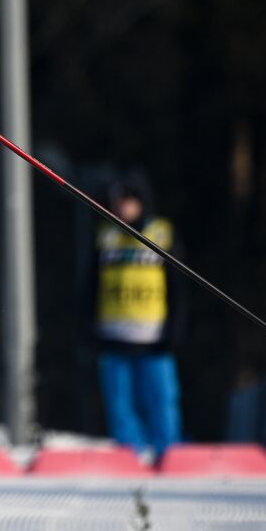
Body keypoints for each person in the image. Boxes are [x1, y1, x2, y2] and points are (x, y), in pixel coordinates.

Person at [91, 173, 184, 460]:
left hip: (153, 337)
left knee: (162, 401)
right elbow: (90, 285)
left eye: (128, 202)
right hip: (114, 336)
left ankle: (168, 453)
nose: (122, 209)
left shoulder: (161, 233)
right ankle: (130, 455)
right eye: (117, 203)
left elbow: (179, 288)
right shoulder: (107, 236)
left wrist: (176, 328)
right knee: (120, 404)